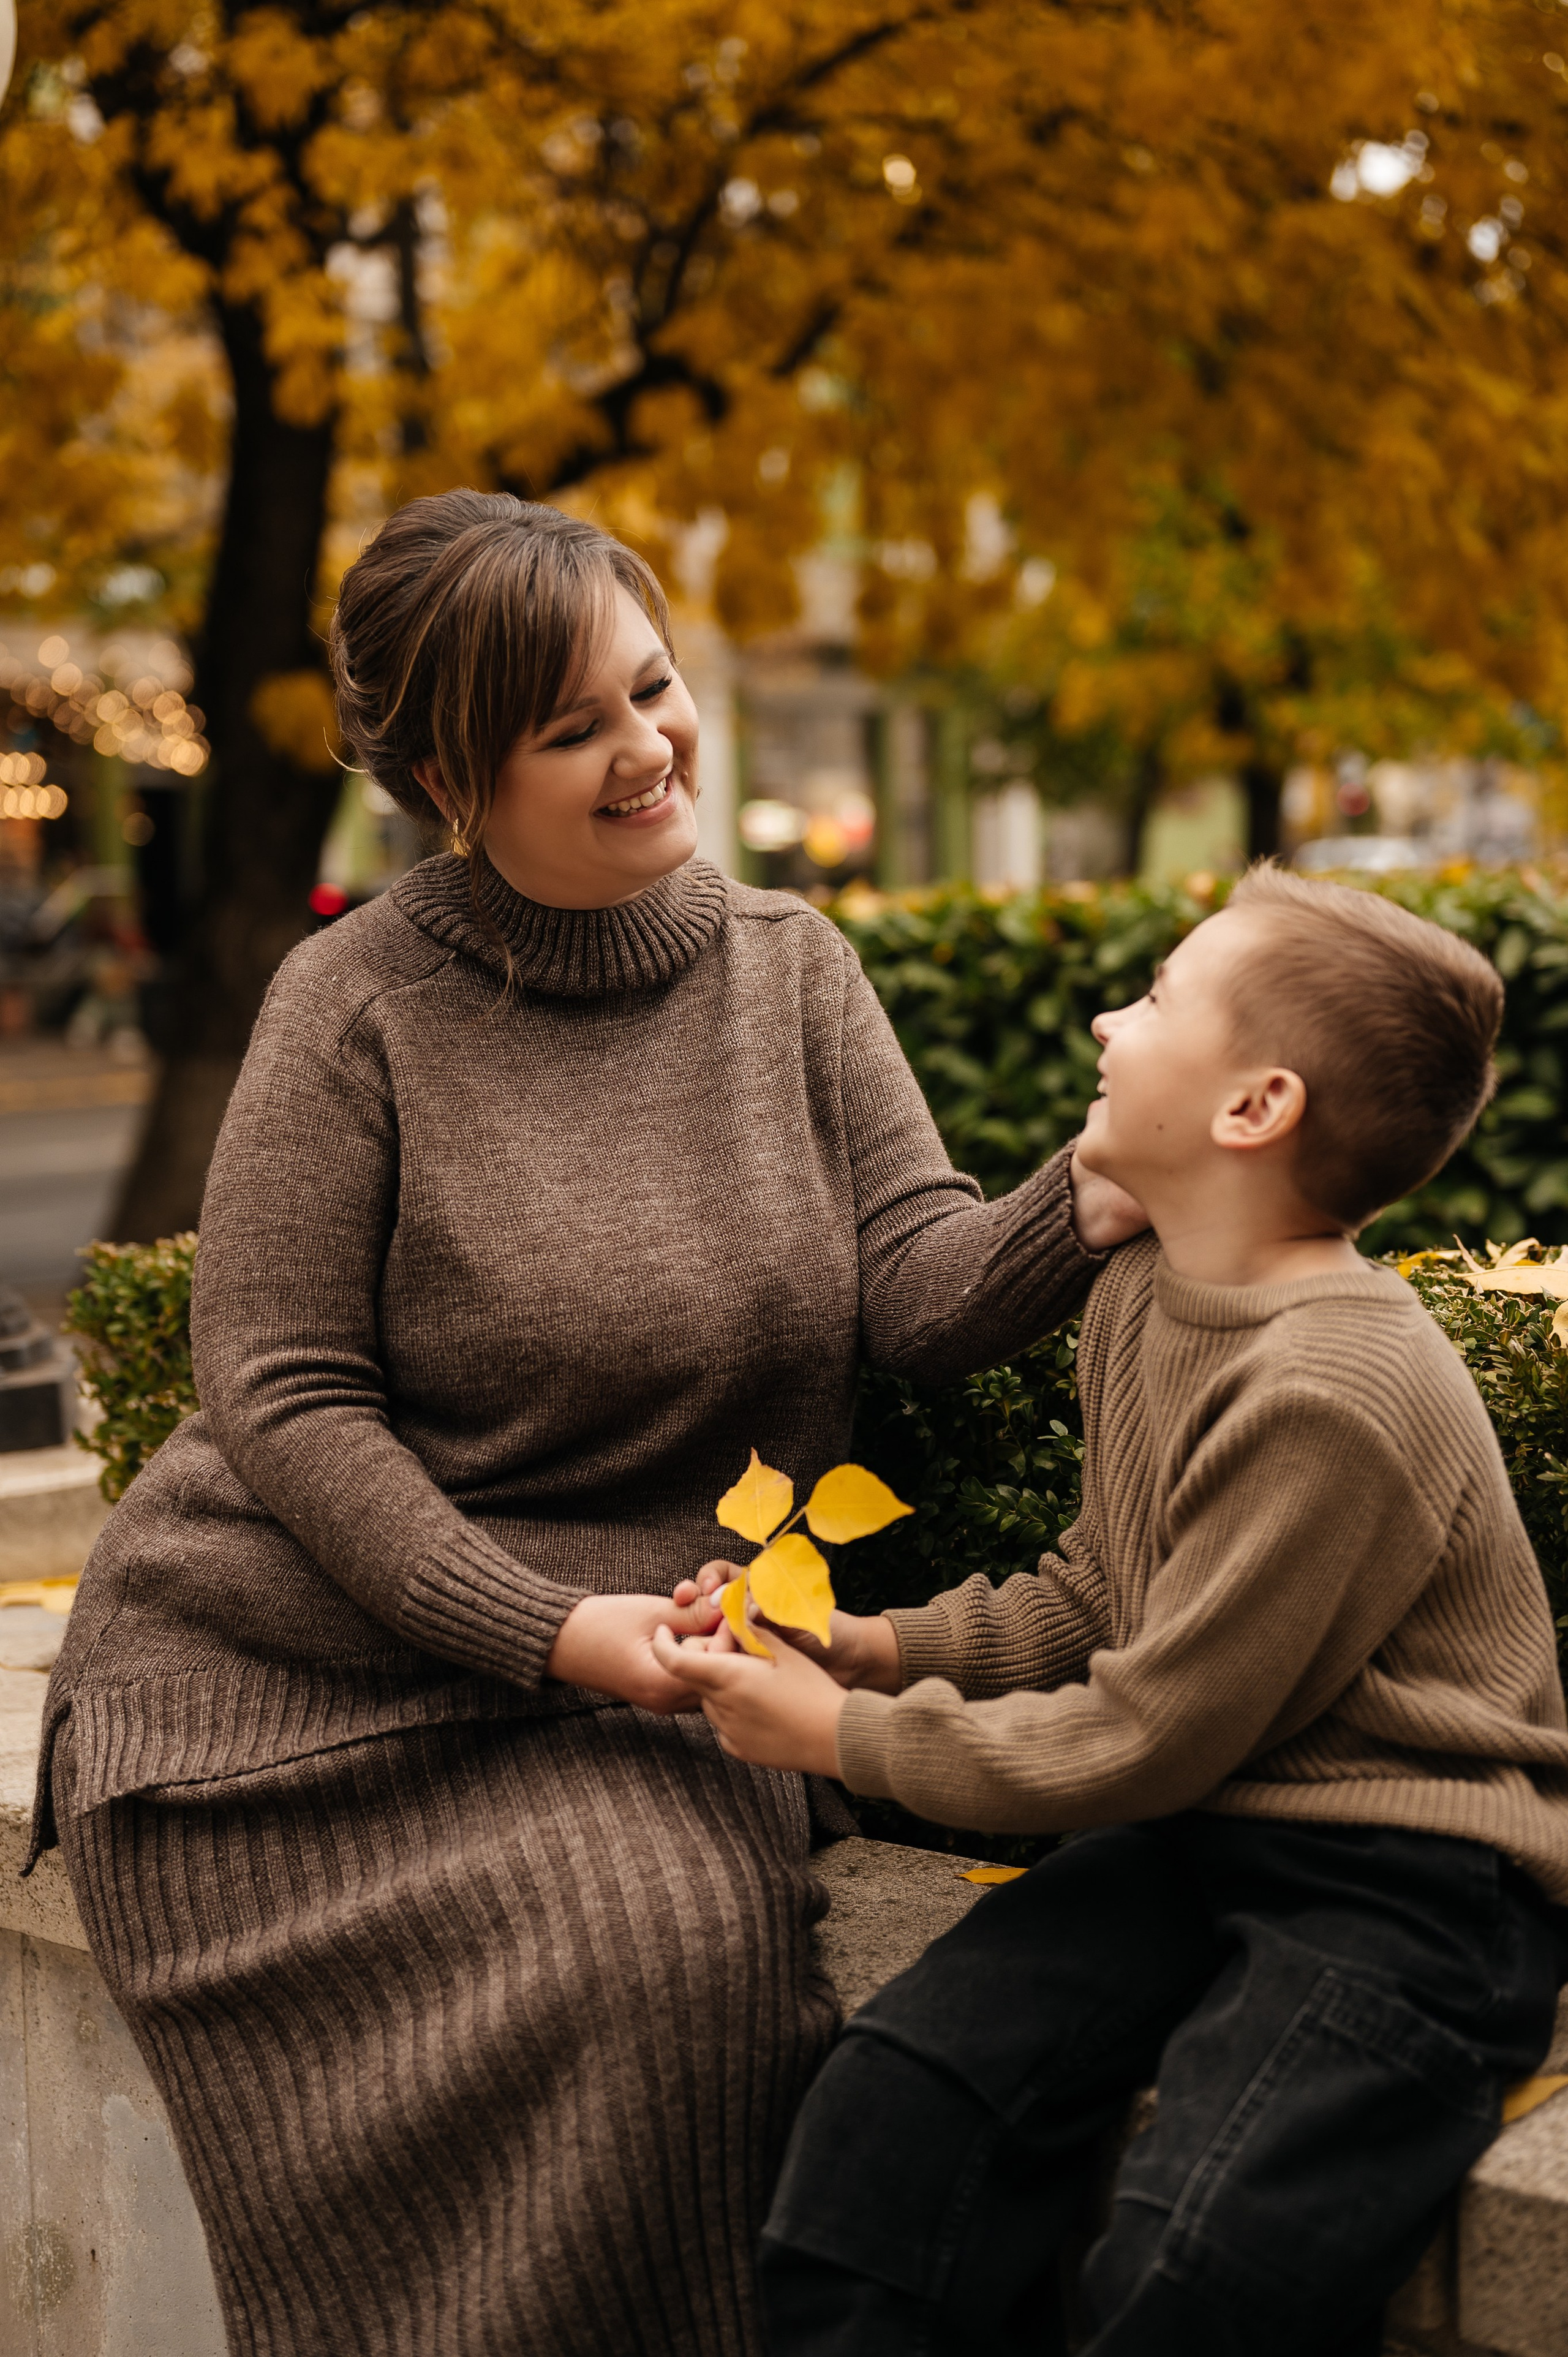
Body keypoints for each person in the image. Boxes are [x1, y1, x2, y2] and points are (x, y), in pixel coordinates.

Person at [26, 491, 1144, 2357]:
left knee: (681, 1961)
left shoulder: (790, 969)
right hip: (305, 1668)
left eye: (652, 687)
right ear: (458, 776)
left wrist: (1107, 1183)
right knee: (647, 1957)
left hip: (659, 1654)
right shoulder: (355, 1002)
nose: (650, 750)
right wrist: (535, 1627)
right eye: (574, 730)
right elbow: (283, 1393)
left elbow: (923, 1290)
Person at [658, 865, 1568, 2357]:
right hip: (1197, 1831)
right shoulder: (1143, 1292)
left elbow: (1147, 1728)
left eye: (1151, 998)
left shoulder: (1331, 1387)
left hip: (1414, 1882)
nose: (1102, 1013)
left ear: (1251, 1109)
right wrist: (861, 1645)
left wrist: (840, 1734)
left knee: (1200, 2255)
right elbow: (1101, 1596)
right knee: (892, 2114)